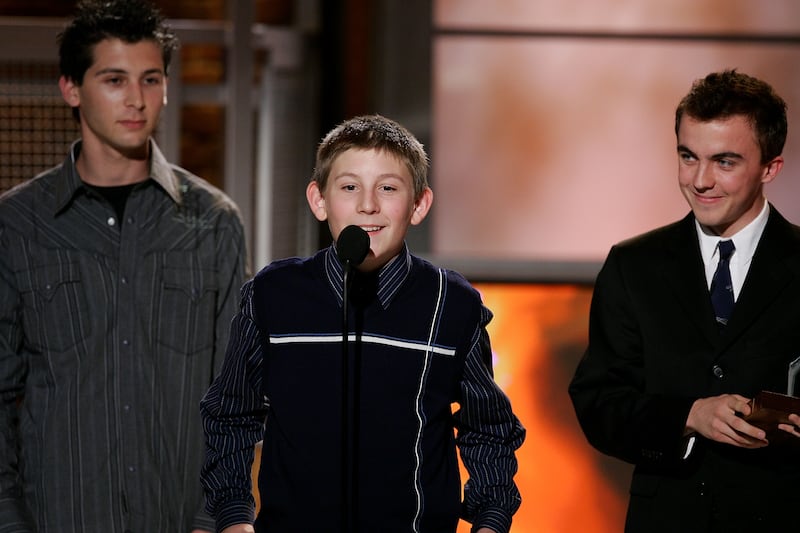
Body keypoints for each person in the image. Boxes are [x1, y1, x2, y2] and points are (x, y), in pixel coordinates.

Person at [200, 114, 525, 533]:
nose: (367, 205)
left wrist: (490, 521)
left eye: (387, 188)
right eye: (349, 187)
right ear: (319, 200)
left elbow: (490, 428)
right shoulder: (272, 294)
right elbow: (229, 413)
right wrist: (233, 517)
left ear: (419, 204)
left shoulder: (452, 304)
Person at [0, 1, 248, 532]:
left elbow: (235, 396)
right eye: (114, 79)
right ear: (71, 88)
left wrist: (216, 519)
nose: (136, 99)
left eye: (150, 79)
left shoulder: (213, 223)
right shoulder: (17, 225)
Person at [569, 69, 800, 532]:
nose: (700, 180)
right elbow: (600, 403)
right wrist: (688, 416)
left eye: (725, 162)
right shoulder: (633, 265)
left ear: (770, 167)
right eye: (688, 156)